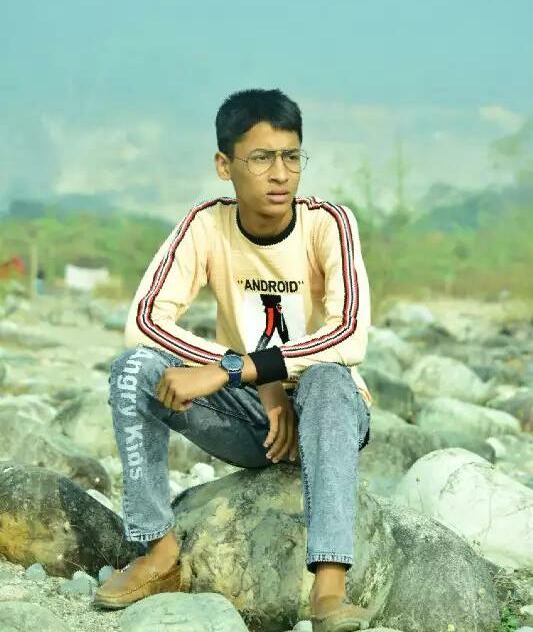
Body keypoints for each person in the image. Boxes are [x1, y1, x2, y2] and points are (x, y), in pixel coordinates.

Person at [94, 88, 372, 631]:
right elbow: (144, 320)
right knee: (133, 372)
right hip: (250, 423)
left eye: (291, 156)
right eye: (261, 158)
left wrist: (237, 369)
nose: (280, 174)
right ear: (225, 165)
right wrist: (249, 381)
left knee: (328, 381)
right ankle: (159, 552)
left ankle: (329, 589)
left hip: (326, 415)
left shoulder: (328, 224)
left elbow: (348, 336)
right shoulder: (205, 225)